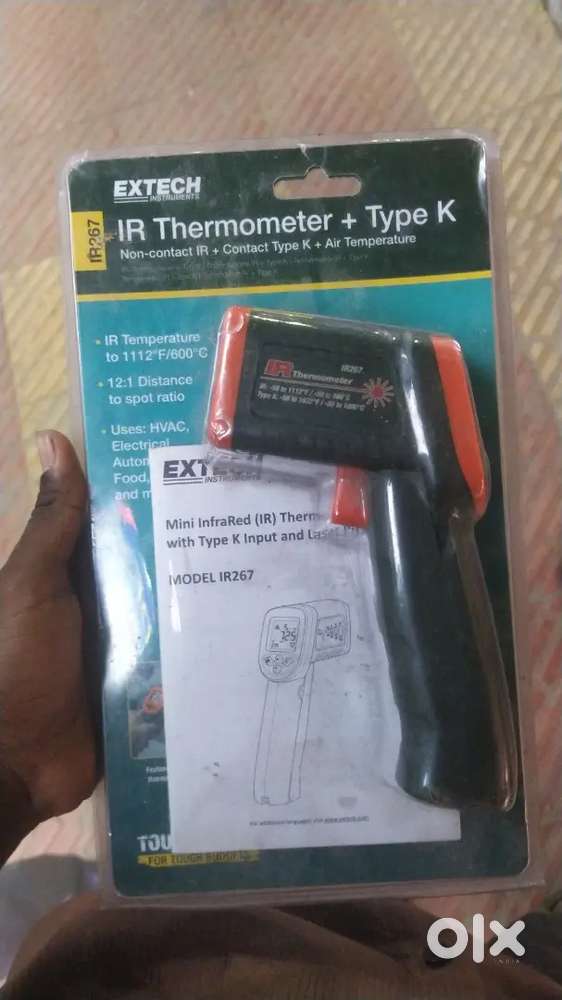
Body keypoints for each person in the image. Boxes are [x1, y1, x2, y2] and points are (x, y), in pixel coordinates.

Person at [0, 431, 560, 999]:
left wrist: (16, 761)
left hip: (145, 949)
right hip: (336, 969)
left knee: (75, 928)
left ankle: (534, 950)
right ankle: (534, 953)